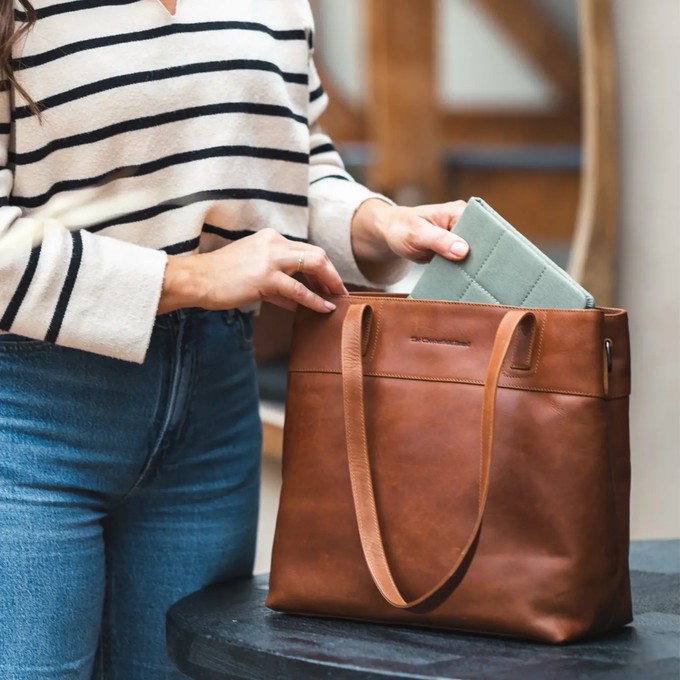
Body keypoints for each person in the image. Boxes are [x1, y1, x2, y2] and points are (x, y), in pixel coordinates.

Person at [0, 1, 469, 678]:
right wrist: (186, 274)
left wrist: (375, 223)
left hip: (214, 411)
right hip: (30, 414)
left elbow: (288, 160)